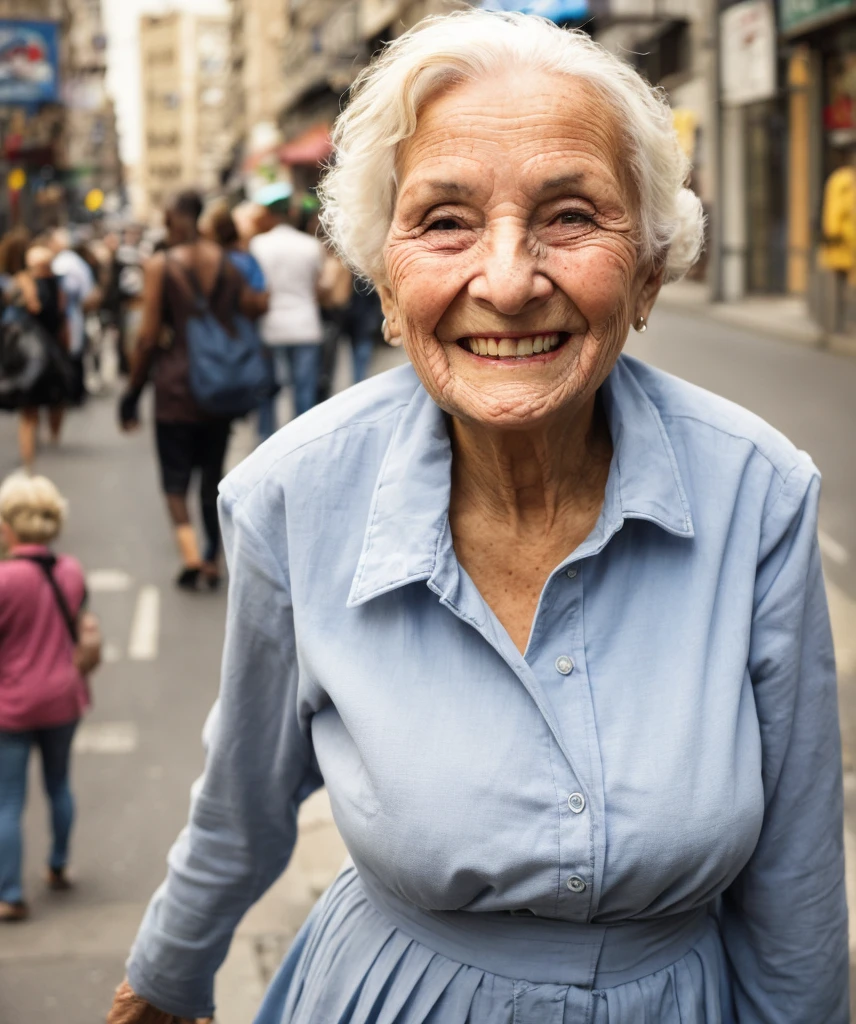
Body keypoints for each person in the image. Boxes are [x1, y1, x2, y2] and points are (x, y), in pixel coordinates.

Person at [108, 12, 848, 1024]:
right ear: (381, 282)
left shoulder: (756, 492)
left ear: (646, 273)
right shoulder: (294, 498)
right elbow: (242, 797)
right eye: (445, 221)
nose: (506, 281)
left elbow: (797, 879)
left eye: (571, 216)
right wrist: (165, 974)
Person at [118, 190, 265, 591]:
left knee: (174, 479)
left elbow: (147, 337)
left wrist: (131, 393)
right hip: (218, 387)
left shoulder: (161, 265)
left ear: (174, 218)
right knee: (211, 476)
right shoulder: (227, 262)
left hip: (176, 390)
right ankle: (214, 559)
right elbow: (248, 312)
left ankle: (192, 557)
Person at [0, 474, 88, 922]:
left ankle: (11, 892)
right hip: (62, 698)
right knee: (59, 784)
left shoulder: (3, 579)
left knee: (8, 801)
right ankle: (57, 864)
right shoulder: (70, 570)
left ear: (10, 526)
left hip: (11, 704)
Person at [249, 182, 325, 437]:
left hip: (271, 329)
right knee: (303, 393)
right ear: (290, 213)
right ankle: (303, 443)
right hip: (305, 326)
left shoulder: (257, 245)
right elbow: (318, 288)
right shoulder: (310, 245)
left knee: (268, 392)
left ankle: (266, 443)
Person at [0, 235, 71, 469]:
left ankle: (32, 463)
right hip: (38, 353)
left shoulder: (36, 283)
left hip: (38, 353)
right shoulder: (44, 284)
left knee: (32, 411)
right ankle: (32, 461)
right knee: (35, 409)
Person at [49, 228, 97, 406]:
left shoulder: (63, 263)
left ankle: (72, 393)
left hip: (69, 315)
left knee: (71, 355)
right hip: (73, 314)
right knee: (75, 354)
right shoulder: (76, 261)